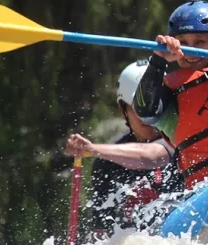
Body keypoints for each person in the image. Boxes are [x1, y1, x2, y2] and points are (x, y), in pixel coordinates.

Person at [65, 60, 181, 239]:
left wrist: (94, 148)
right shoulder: (106, 164)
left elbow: (152, 155)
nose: (148, 116)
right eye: (139, 108)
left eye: (156, 106)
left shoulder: (180, 140)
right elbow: (101, 234)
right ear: (123, 110)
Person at [133, 0, 208, 191]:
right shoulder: (172, 94)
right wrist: (159, 60)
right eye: (183, 43)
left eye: (200, 41)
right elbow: (144, 110)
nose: (190, 51)